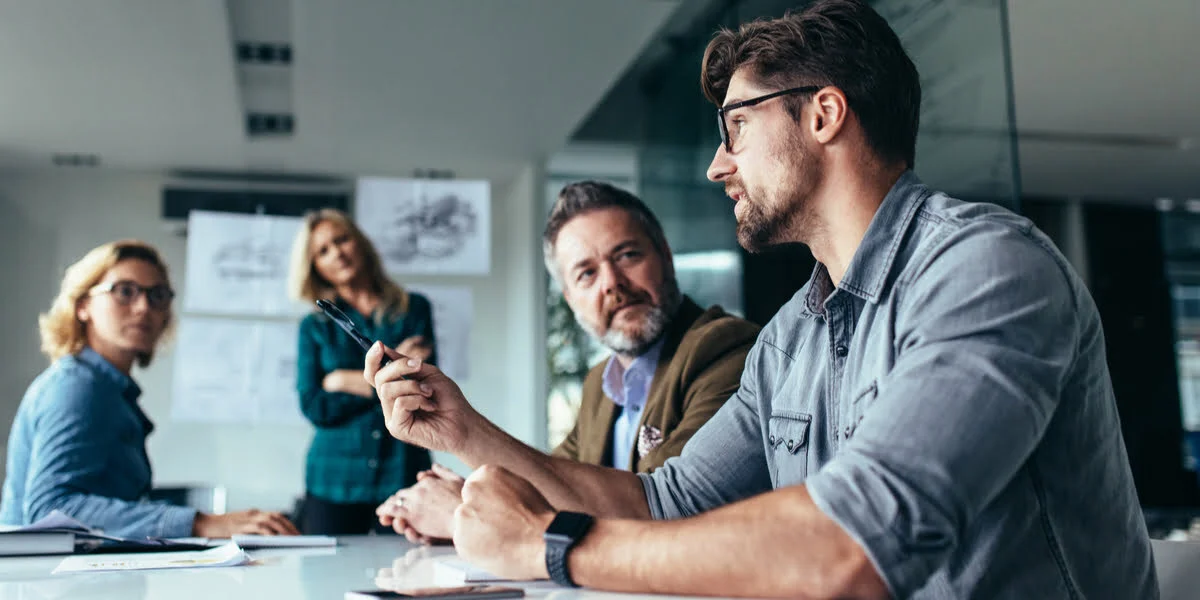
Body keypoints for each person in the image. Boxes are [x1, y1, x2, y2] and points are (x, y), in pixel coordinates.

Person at [364, 1, 1158, 597]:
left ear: (823, 113)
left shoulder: (986, 269)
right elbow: (662, 501)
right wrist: (461, 429)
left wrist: (551, 544)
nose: (717, 165)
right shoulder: (790, 339)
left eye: (735, 127)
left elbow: (854, 546)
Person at [375, 182, 760, 543]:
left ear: (665, 254)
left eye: (627, 255)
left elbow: (660, 513)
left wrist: (464, 511)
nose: (611, 283)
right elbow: (551, 485)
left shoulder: (726, 349)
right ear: (570, 297)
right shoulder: (601, 383)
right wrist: (471, 496)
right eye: (586, 273)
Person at [0, 240, 298, 538]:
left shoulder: (110, 391)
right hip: (46, 581)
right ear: (83, 306)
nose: (144, 307)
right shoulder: (77, 386)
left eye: (157, 296)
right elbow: (50, 509)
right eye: (124, 292)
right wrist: (199, 523)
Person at [289, 208, 435, 535]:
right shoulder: (314, 327)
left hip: (401, 471)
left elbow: (421, 389)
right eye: (323, 251)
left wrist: (341, 380)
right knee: (326, 581)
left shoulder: (414, 309)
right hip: (333, 479)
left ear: (360, 243)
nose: (337, 253)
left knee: (408, 573)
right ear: (314, 267)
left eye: (342, 240)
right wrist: (386, 381)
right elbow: (314, 405)